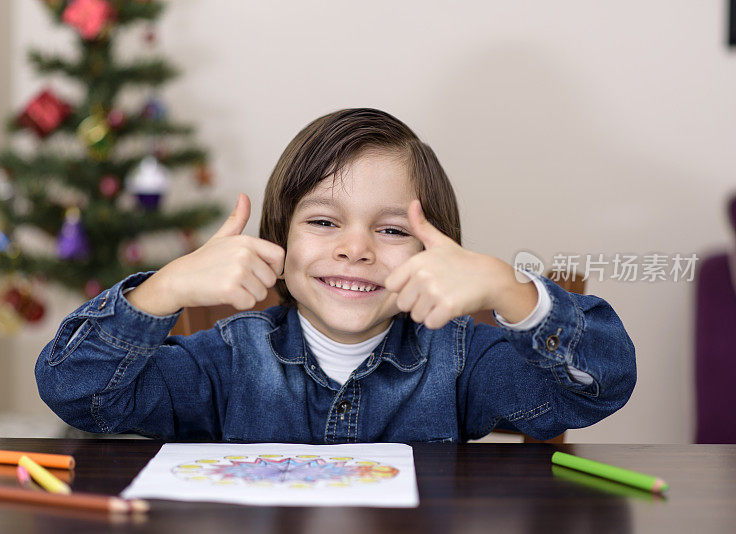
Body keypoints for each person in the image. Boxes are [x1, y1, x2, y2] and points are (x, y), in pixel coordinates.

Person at [36, 108, 636, 443]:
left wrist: (512, 292)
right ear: (279, 243)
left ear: (437, 255)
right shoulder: (222, 359)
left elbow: (600, 385)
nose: (355, 250)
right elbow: (75, 391)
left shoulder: (462, 362)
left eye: (393, 230)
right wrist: (161, 290)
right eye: (324, 222)